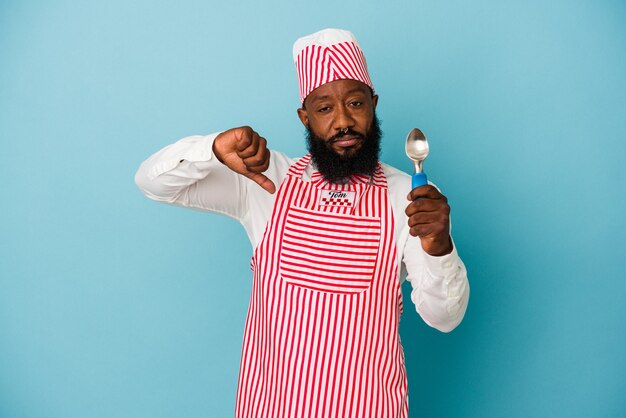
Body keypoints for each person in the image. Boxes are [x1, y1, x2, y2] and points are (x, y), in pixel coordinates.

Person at [135, 28, 469, 418]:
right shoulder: (264, 180)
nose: (343, 121)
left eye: (355, 103)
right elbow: (152, 183)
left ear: (373, 105)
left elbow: (445, 318)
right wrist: (210, 149)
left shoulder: (409, 197)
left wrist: (438, 245)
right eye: (325, 108)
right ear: (304, 117)